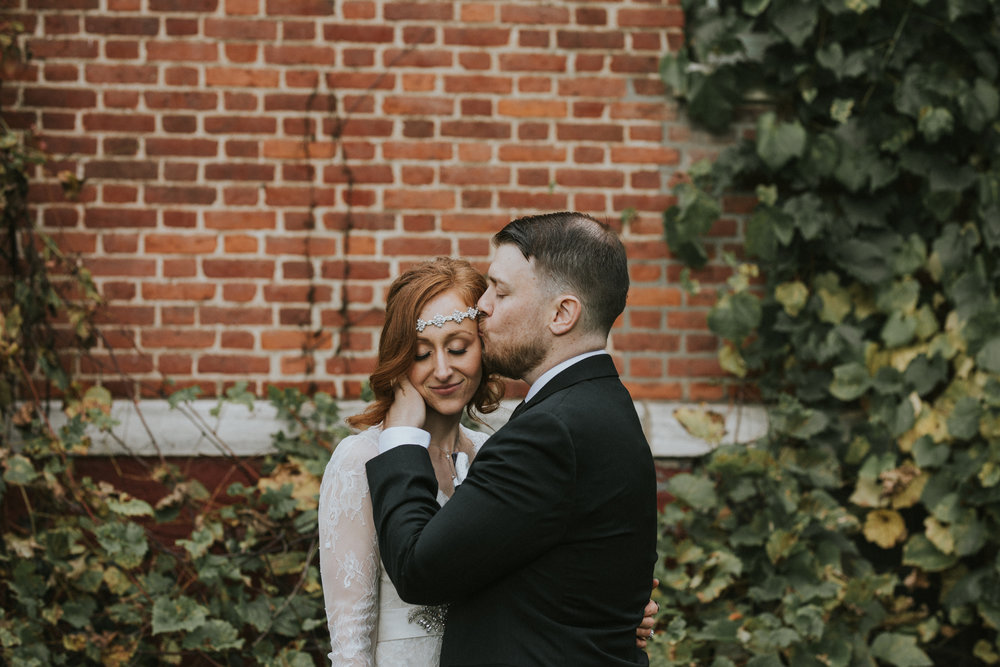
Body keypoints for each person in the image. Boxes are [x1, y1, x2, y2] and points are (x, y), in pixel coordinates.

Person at [318, 256, 657, 665]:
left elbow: (542, 575)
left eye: (458, 348)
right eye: (422, 354)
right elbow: (350, 644)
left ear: (484, 344)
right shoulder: (361, 459)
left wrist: (607, 611)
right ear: (399, 359)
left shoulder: (495, 452)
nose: (443, 370)